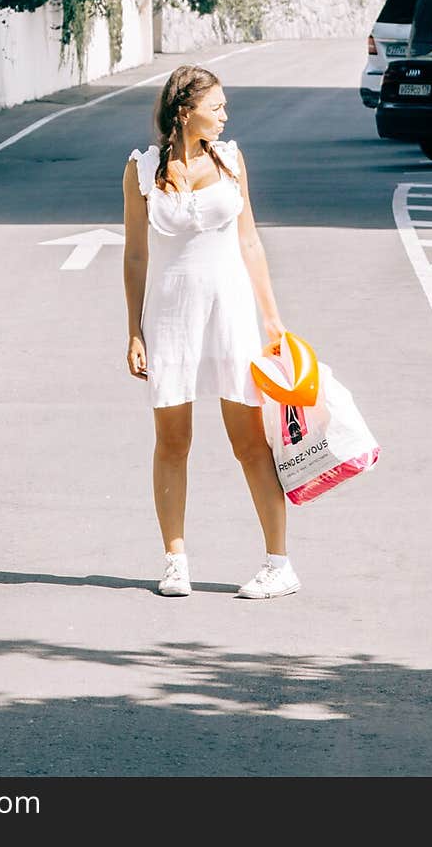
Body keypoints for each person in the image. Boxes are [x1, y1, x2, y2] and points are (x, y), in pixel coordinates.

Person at [122, 63, 300, 600]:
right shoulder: (142, 169)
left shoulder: (231, 159)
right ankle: (175, 561)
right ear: (185, 110)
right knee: (172, 440)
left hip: (232, 313)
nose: (225, 116)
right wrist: (133, 330)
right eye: (216, 106)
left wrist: (271, 320)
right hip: (170, 316)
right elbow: (135, 254)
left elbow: (249, 242)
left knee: (249, 440)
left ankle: (279, 564)